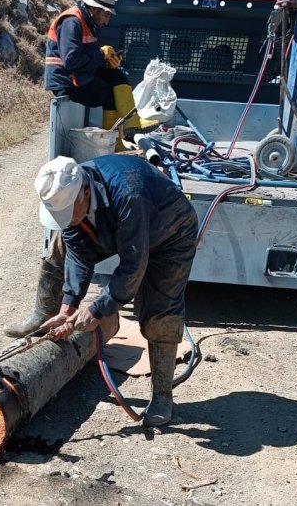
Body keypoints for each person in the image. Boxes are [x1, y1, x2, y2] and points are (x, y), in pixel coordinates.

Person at [35, 154, 198, 427]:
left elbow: (134, 265)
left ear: (85, 192)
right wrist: (69, 307)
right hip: (119, 226)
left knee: (160, 314)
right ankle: (40, 315)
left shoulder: (128, 194)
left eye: (67, 212)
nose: (66, 220)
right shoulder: (74, 198)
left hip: (171, 233)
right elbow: (79, 254)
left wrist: (99, 309)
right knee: (60, 246)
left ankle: (162, 396)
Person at [43, 0, 141, 138]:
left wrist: (108, 63)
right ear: (95, 9)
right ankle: (113, 143)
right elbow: (71, 61)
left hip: (78, 75)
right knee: (109, 94)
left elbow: (87, 58)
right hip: (66, 81)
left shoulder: (88, 23)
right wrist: (101, 55)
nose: (107, 21)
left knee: (117, 76)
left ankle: (133, 123)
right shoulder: (72, 22)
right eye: (106, 15)